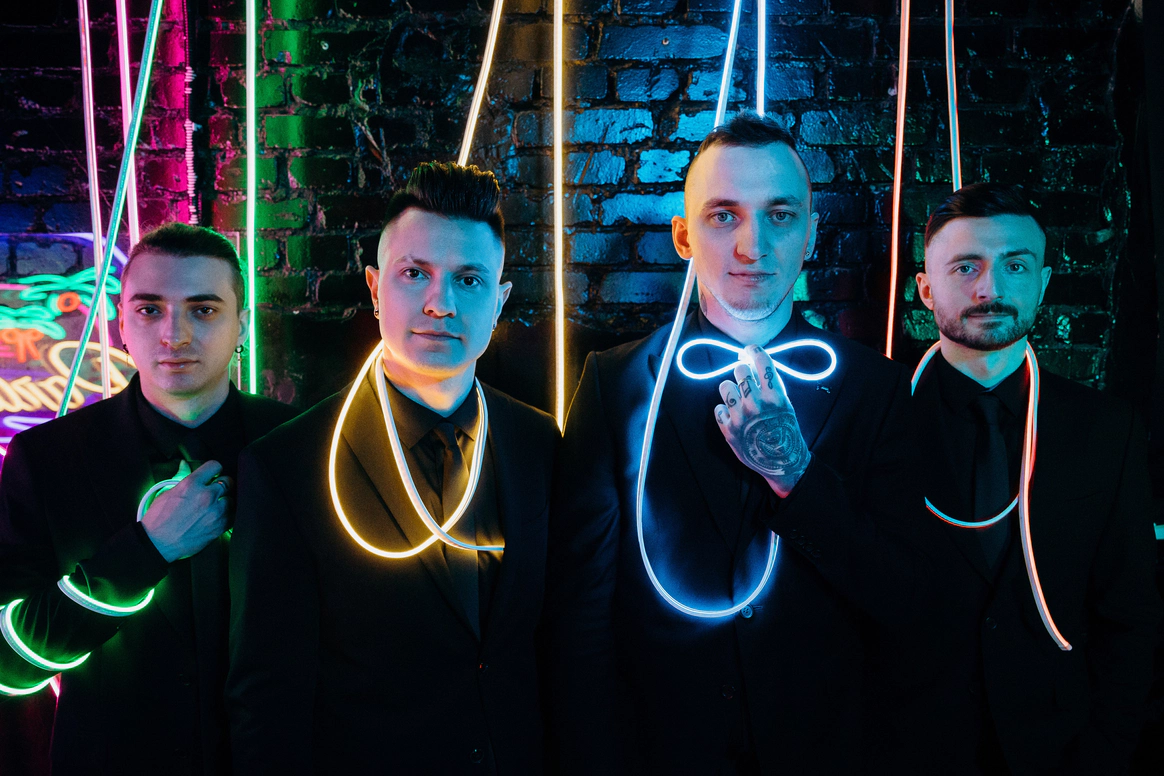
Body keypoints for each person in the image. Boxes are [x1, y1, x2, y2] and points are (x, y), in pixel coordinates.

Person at [543, 112, 933, 774]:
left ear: (811, 234)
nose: (753, 246)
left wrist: (798, 477)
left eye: (780, 216)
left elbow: (906, 600)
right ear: (683, 236)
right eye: (724, 216)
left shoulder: (878, 390)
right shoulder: (617, 384)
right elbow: (580, 616)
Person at [226, 162, 558, 774]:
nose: (441, 304)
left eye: (468, 279)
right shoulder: (288, 467)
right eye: (415, 274)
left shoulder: (539, 443)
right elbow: (268, 701)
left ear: (499, 300)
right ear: (376, 290)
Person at [880, 183, 1162, 774]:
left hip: (1057, 750)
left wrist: (1104, 753)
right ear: (925, 289)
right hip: (907, 746)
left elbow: (1132, 615)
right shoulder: (874, 422)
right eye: (966, 267)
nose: (991, 289)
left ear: (1044, 282)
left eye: (1015, 265)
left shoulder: (1107, 431)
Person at [0, 222, 297, 775]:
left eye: (203, 310)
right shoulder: (46, 459)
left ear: (242, 324)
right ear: (121, 322)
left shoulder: (301, 446)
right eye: (149, 309)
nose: (174, 335)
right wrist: (146, 550)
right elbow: (9, 663)